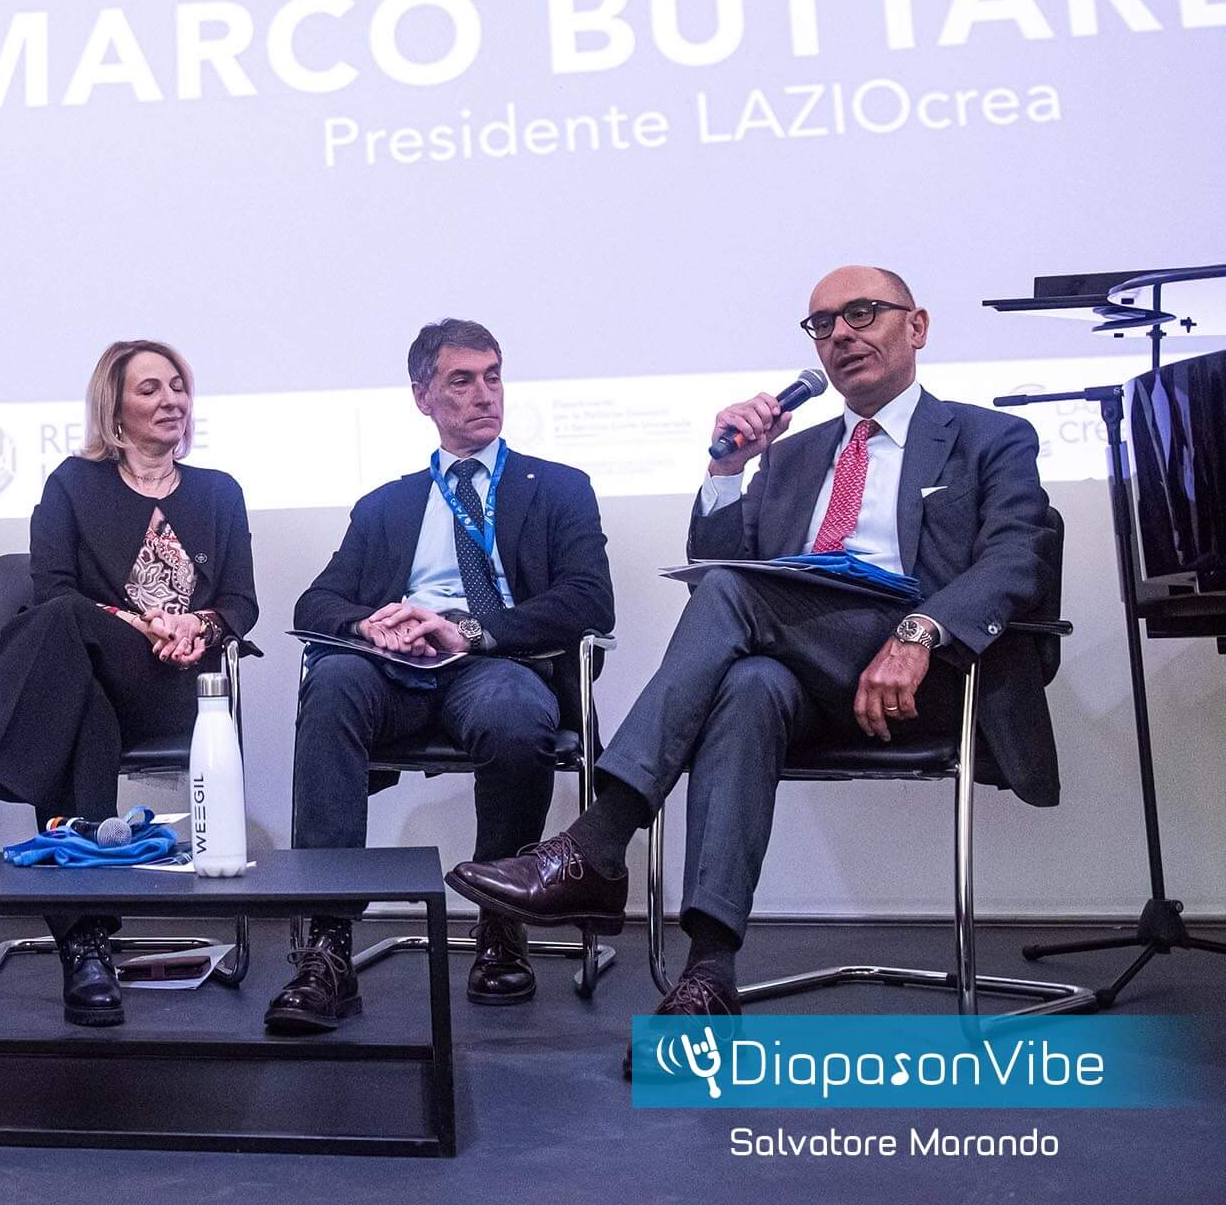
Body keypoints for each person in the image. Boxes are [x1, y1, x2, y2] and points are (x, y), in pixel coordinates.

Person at [449, 266, 1060, 1021]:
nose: (840, 335)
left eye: (862, 313)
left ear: (917, 325)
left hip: (926, 674)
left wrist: (918, 631)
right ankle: (709, 973)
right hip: (807, 680)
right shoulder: (793, 456)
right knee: (747, 684)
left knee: (736, 600)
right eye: (822, 324)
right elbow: (718, 576)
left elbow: (1015, 558)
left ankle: (598, 842)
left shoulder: (988, 437)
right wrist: (726, 470)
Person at [268, 320, 614, 1033]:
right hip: (396, 672)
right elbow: (316, 603)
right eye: (462, 380)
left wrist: (472, 630)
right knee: (332, 685)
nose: (485, 394)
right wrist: (369, 625)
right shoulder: (387, 504)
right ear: (423, 396)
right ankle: (327, 946)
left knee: (516, 714)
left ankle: (501, 922)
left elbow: (589, 600)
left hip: (495, 662)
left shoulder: (558, 488)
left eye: (493, 376)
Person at [0, 340, 258, 1027]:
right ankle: (86, 945)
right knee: (79, 696)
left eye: (177, 385)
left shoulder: (219, 492)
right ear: (114, 409)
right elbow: (52, 587)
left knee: (62, 628)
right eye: (150, 389)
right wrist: (143, 622)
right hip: (89, 677)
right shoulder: (73, 485)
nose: (171, 399)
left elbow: (241, 602)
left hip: (174, 684)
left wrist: (195, 626)